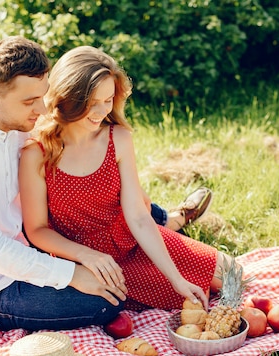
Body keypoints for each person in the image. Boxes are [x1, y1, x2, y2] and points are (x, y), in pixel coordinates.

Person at [0, 36, 211, 332]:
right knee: (106, 301)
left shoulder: (15, 123)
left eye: (41, 97)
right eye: (30, 102)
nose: (41, 110)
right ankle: (164, 220)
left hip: (29, 250)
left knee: (119, 215)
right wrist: (72, 273)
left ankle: (164, 218)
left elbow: (75, 164)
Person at [19, 45, 233, 312]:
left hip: (131, 240)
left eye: (107, 100)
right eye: (91, 103)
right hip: (88, 262)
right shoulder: (36, 153)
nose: (100, 112)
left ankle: (173, 221)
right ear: (67, 98)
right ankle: (175, 219)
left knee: (233, 274)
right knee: (182, 300)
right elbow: (37, 230)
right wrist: (85, 255)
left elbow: (139, 218)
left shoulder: (117, 138)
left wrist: (176, 278)